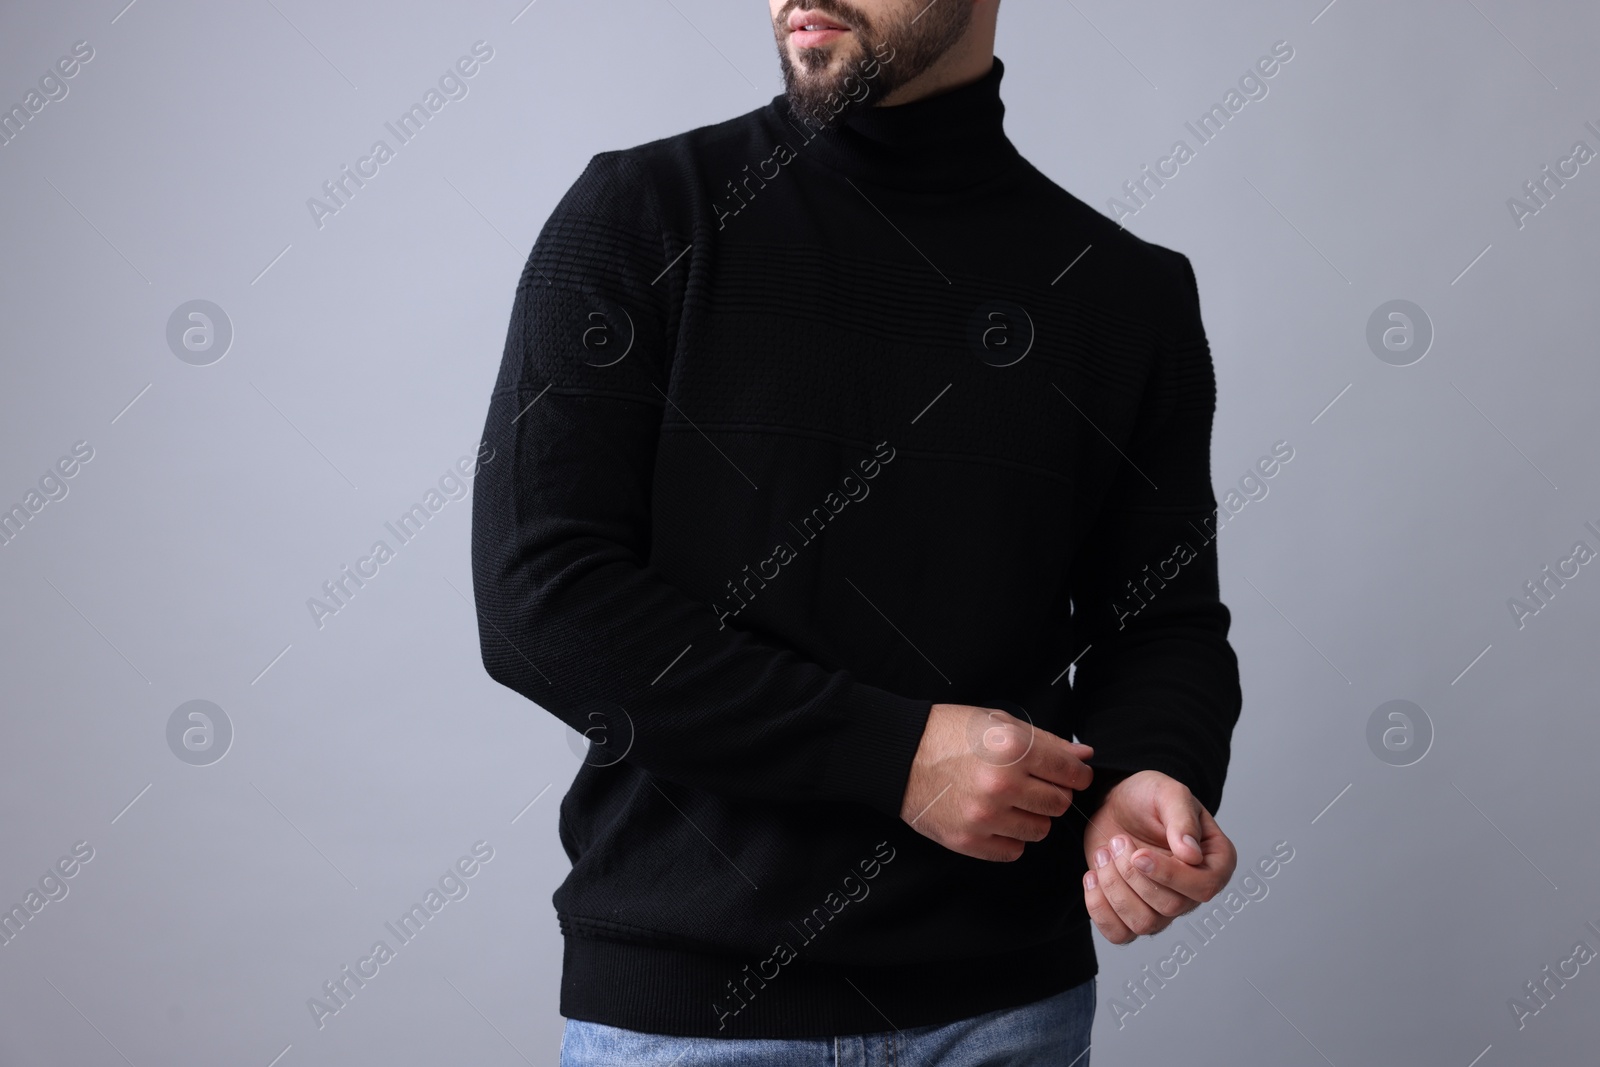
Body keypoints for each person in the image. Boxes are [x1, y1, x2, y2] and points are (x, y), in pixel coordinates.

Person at [470, 1, 1244, 1062]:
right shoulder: (641, 217)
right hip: (692, 1014)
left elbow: (1163, 623)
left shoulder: (1123, 292)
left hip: (1005, 1012)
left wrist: (1151, 772)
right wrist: (895, 756)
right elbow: (540, 599)